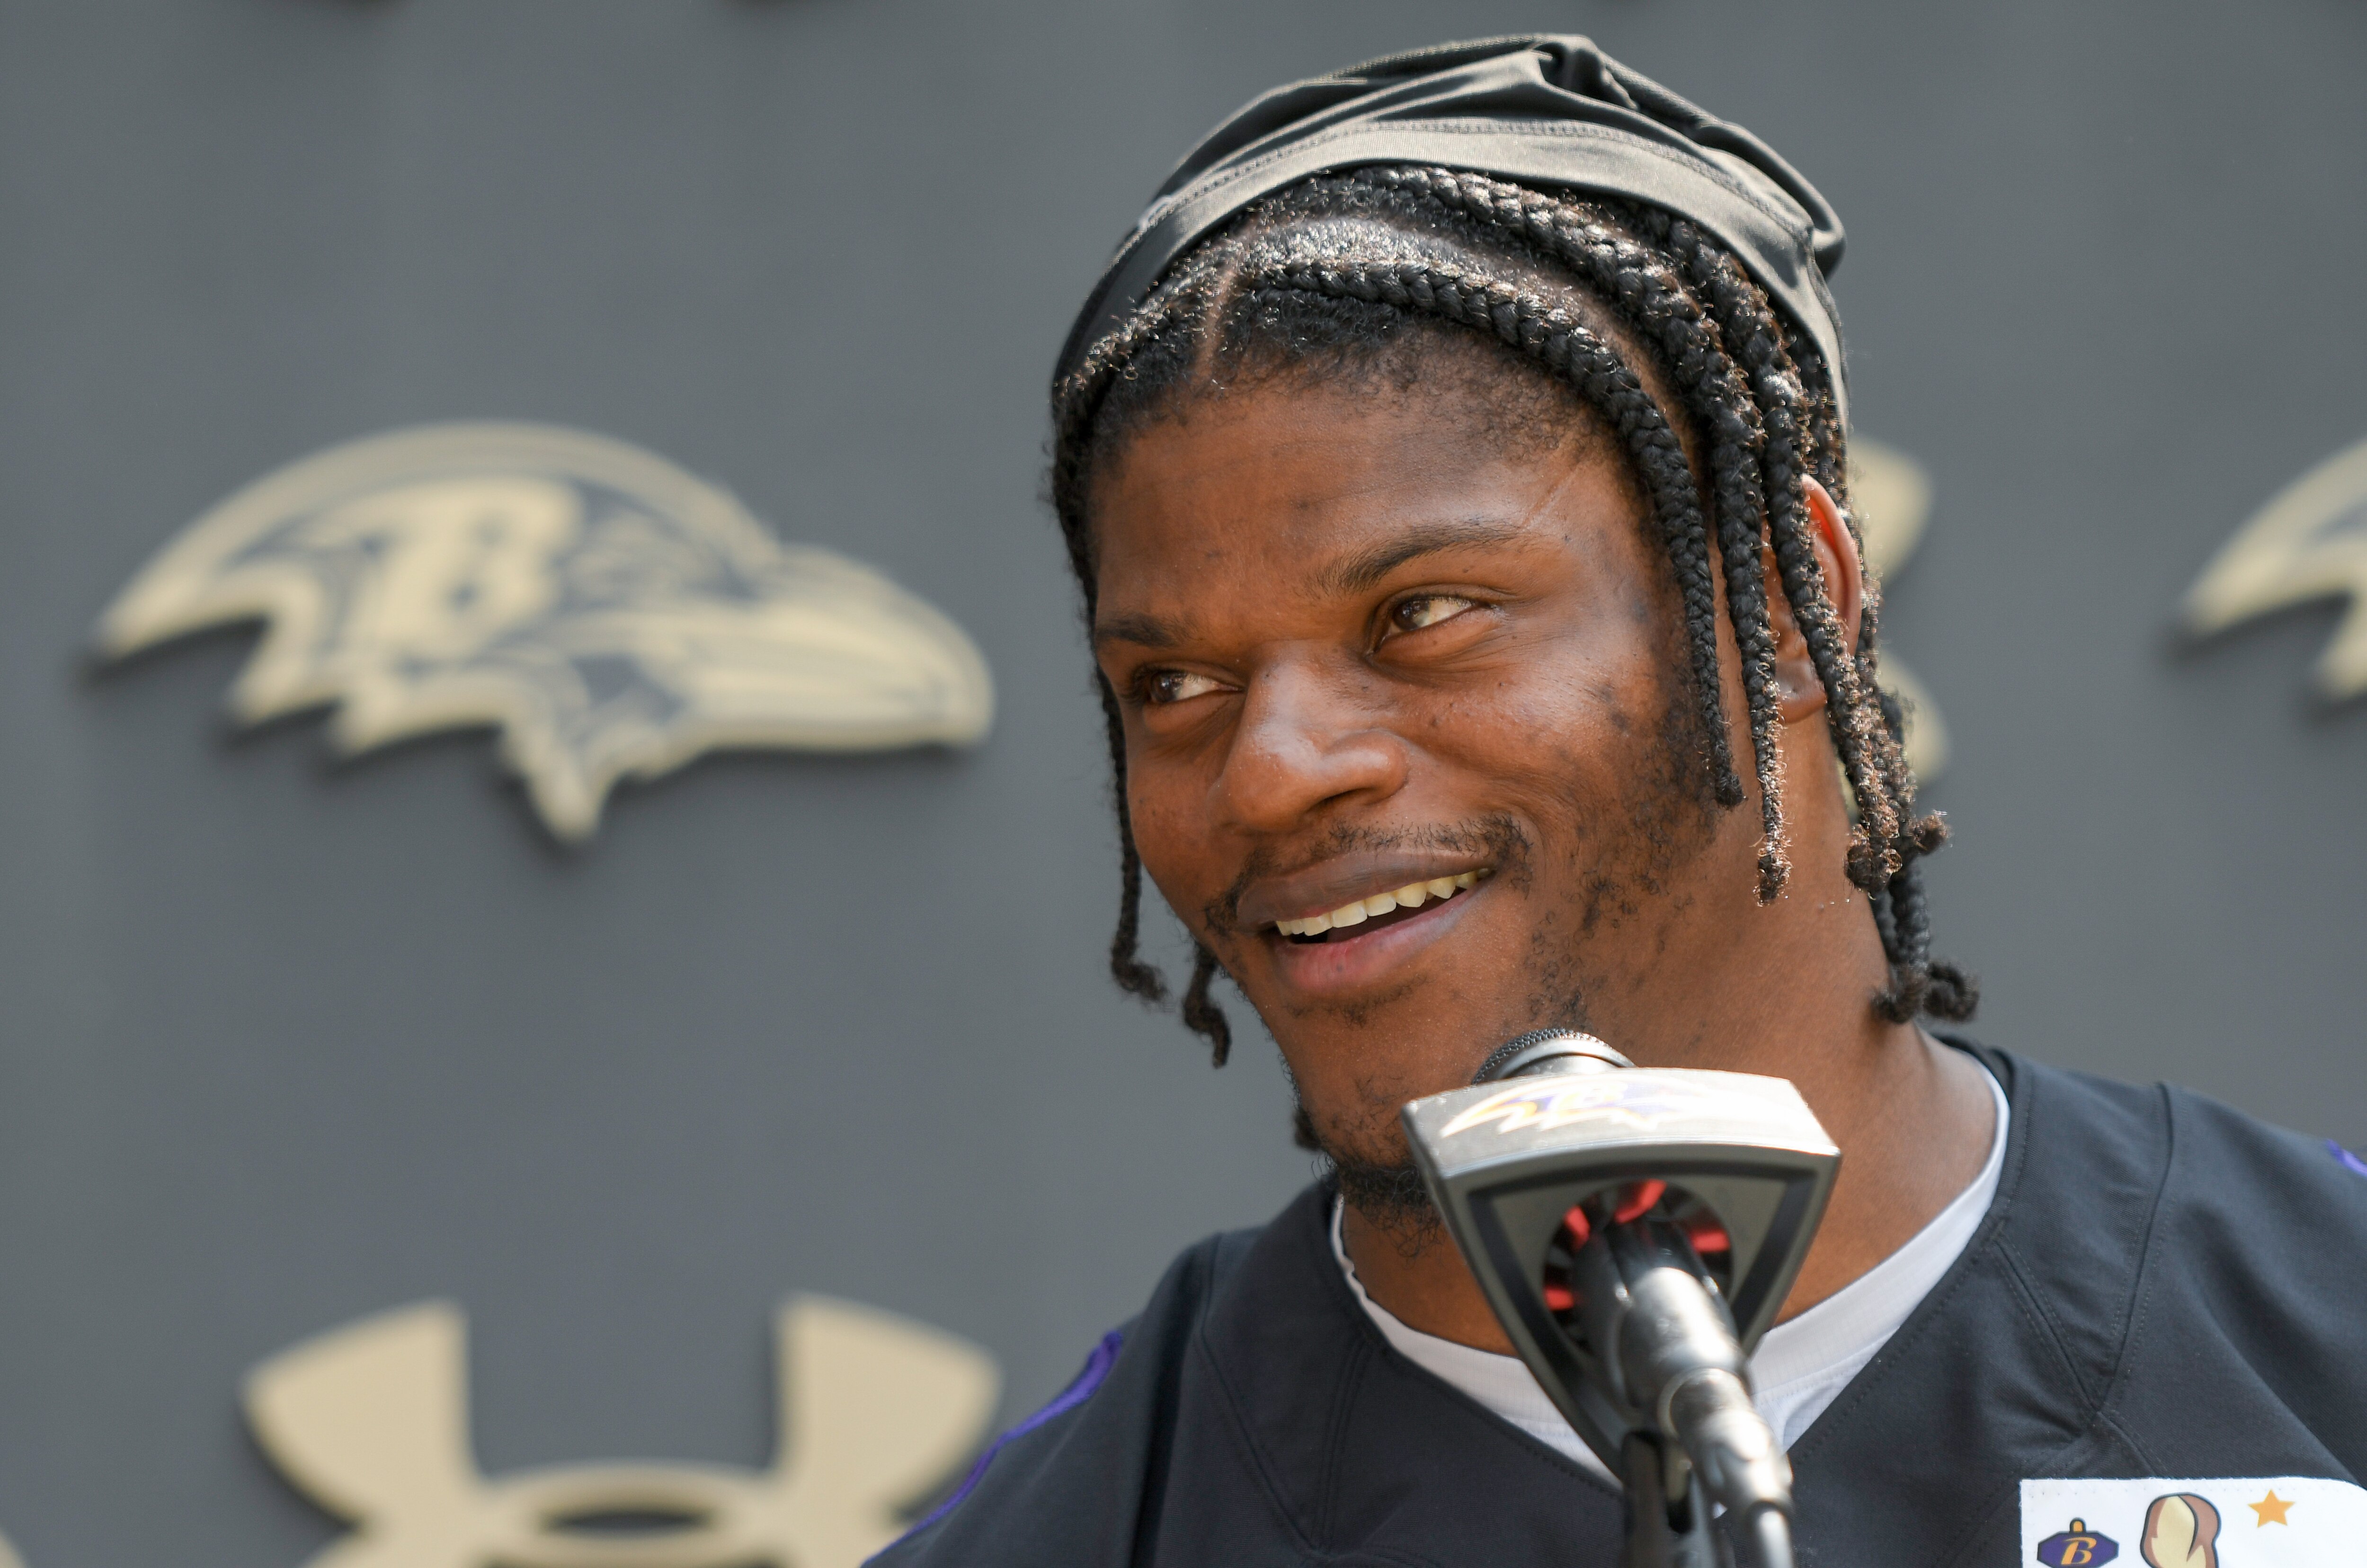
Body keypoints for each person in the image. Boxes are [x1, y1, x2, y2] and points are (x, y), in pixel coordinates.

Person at [872, 35, 2367, 1567]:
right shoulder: (1088, 1527)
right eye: (1176, 685)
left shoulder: (2317, 1339)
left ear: (1784, 610)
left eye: (1423, 614)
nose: (1269, 770)